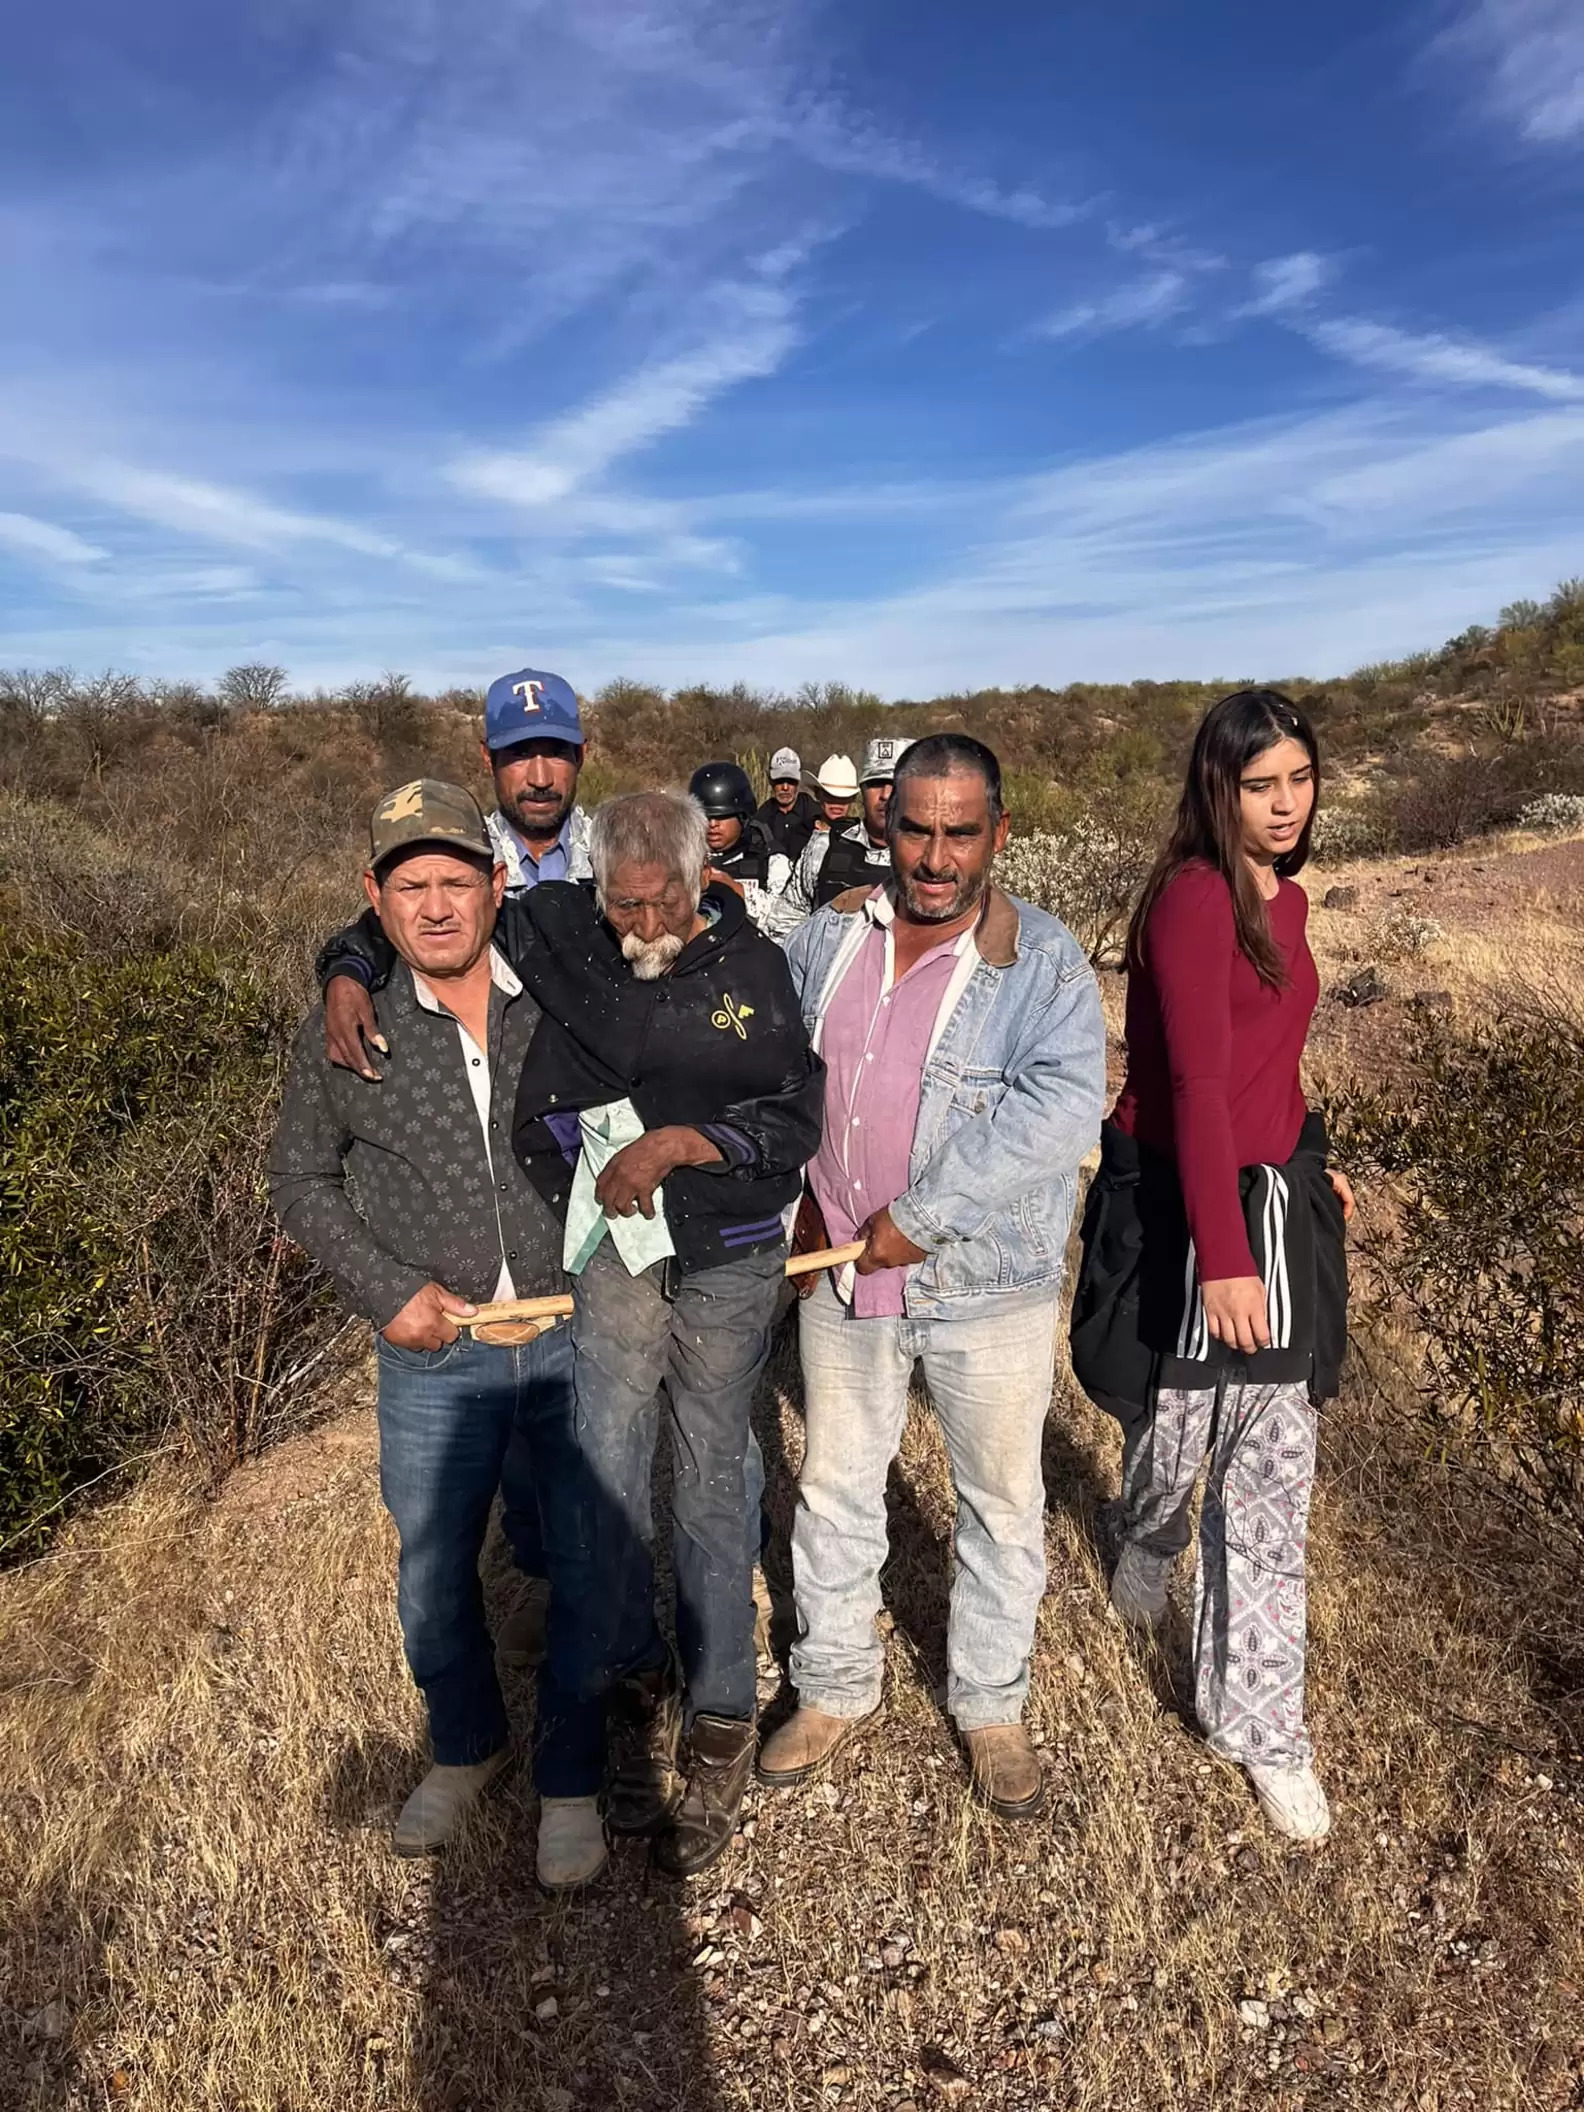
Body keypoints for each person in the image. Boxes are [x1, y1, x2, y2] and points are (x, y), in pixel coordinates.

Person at [759, 736, 1107, 1818]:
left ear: (998, 834)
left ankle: (990, 1704)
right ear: (884, 825)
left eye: (962, 832)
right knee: (835, 1484)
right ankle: (832, 1685)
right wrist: (797, 1200)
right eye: (917, 828)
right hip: (842, 1279)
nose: (937, 855)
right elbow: (779, 1077)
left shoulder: (1041, 961)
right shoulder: (828, 937)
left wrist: (921, 1216)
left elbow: (1058, 1111)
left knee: (1001, 1502)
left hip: (983, 1289)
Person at [267, 781, 597, 1875]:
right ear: (374, 898)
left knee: (586, 1560)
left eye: (458, 879)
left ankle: (570, 1775)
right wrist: (384, 1289)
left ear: (499, 884)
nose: (439, 905)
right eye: (411, 885)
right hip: (434, 1350)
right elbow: (301, 1179)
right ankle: (464, 1747)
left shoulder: (558, 992)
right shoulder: (347, 1026)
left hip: (567, 1331)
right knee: (432, 1566)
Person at [508, 792, 824, 1878]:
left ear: (705, 884)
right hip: (618, 1255)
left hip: (731, 1254)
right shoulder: (569, 938)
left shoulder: (755, 971)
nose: (642, 929)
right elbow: (437, 902)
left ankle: (722, 1720)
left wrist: (692, 1143)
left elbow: (797, 1118)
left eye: (662, 905)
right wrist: (350, 964)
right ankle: (627, 1700)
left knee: (708, 1476)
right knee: (603, 1467)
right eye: (624, 906)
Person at [1068, 689, 1352, 1844]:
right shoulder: (1193, 900)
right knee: (1174, 1448)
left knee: (1273, 1475)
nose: (1285, 805)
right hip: (1186, 1214)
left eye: (1298, 778)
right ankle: (1145, 1537)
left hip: (1268, 1206)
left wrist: (1312, 1159)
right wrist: (1226, 1260)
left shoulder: (1287, 901)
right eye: (1260, 784)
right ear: (1216, 789)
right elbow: (1189, 1089)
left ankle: (1262, 1728)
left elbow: (1268, 1067)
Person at [765, 738, 909, 937]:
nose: (885, 794)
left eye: (895, 785)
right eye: (875, 784)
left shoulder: (929, 858)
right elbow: (786, 920)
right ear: (864, 791)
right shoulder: (823, 848)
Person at [480, 666, 594, 894]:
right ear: (488, 758)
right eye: (520, 754)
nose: (540, 780)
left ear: (580, 755)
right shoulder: (463, 868)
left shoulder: (622, 858)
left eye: (556, 753)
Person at [689, 761, 792, 931]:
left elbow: (789, 920)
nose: (713, 824)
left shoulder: (773, 862)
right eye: (705, 817)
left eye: (722, 816)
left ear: (742, 817)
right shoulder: (681, 860)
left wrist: (737, 890)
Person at [757, 746, 819, 862]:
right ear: (771, 781)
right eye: (779, 781)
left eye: (791, 781)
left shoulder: (815, 813)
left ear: (798, 782)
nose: (785, 788)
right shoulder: (762, 817)